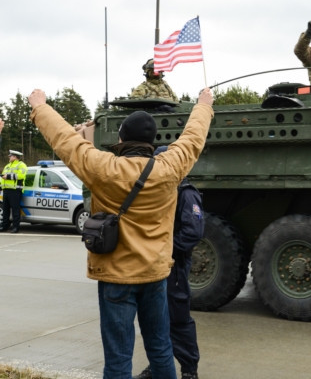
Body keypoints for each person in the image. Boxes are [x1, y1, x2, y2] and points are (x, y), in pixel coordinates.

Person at [28, 87, 214, 379]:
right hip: (155, 276)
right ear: (153, 141)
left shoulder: (104, 168)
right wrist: (204, 105)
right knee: (161, 349)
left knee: (118, 358)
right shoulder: (170, 167)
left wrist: (40, 107)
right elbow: (193, 137)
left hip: (115, 277)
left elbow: (65, 140)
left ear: (122, 139)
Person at [135, 147, 205, 379]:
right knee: (155, 320)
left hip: (174, 267)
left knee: (178, 320)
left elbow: (192, 232)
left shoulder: (185, 192)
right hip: (155, 265)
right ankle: (157, 365)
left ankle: (189, 370)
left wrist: (165, 248)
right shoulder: (159, 190)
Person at [1, 149, 27, 233]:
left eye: (10, 156)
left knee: (15, 210)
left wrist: (7, 176)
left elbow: (21, 175)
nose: (9, 157)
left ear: (15, 157)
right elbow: (3, 178)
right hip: (6, 191)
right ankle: (5, 226)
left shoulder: (21, 165)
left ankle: (16, 227)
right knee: (5, 210)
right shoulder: (7, 166)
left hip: (15, 191)